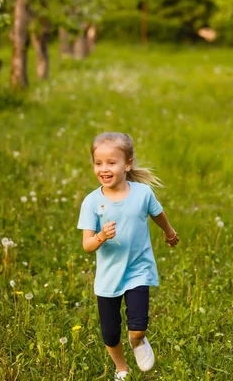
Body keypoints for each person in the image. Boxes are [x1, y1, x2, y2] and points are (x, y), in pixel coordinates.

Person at [77, 132, 179, 381]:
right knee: (110, 334)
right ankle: (121, 368)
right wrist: (101, 236)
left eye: (111, 162)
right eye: (98, 163)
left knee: (137, 326)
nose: (104, 168)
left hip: (138, 269)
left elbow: (158, 213)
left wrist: (169, 232)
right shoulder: (91, 202)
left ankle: (137, 341)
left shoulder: (142, 193)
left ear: (128, 164)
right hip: (108, 277)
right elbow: (87, 245)